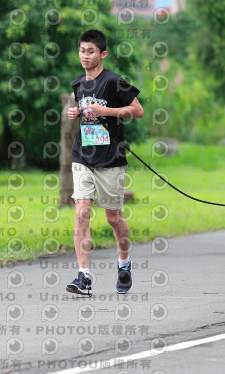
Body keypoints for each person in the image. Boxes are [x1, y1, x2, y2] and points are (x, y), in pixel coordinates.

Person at [65, 30, 144, 296]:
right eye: (81, 51)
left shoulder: (113, 82)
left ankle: (124, 263)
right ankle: (83, 276)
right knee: (81, 213)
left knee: (113, 218)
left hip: (110, 159)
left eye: (90, 51)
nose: (84, 56)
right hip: (83, 155)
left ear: (102, 54)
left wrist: (106, 111)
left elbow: (137, 110)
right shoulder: (78, 83)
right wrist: (74, 113)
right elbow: (86, 116)